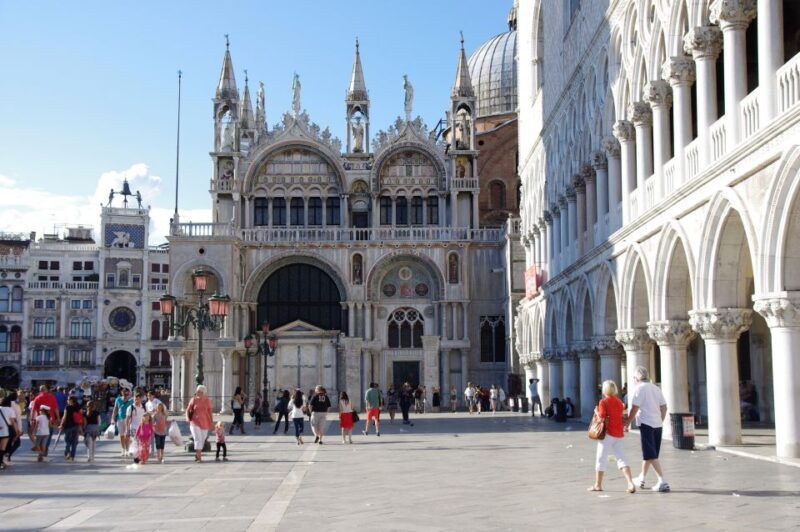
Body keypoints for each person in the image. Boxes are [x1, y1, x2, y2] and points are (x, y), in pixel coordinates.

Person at [626, 366, 669, 492]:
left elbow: (634, 408)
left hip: (646, 423)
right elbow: (664, 407)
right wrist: (660, 420)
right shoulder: (656, 388)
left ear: (636, 378)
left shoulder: (639, 389)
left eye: (634, 378)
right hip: (657, 424)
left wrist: (628, 422)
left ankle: (662, 481)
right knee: (650, 454)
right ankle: (641, 478)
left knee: (650, 454)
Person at [589, 380, 637, 493]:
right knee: (622, 458)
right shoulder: (619, 402)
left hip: (607, 434)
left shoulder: (603, 402)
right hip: (618, 434)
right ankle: (630, 483)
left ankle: (597, 485)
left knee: (601, 459)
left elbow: (601, 417)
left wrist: (596, 411)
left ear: (605, 390)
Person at [186, 385, 214, 463]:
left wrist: (212, 422)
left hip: (205, 422)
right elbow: (188, 410)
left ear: (203, 392)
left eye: (200, 391)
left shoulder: (207, 400)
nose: (197, 393)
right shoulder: (193, 400)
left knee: (202, 439)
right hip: (194, 422)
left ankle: (197, 453)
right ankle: (199, 457)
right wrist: (188, 418)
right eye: (197, 391)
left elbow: (209, 412)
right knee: (197, 439)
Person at [29, 385, 58, 451]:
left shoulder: (37, 398)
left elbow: (33, 410)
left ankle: (40, 448)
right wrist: (58, 418)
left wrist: (31, 419)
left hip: (40, 419)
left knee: (40, 435)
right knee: (49, 435)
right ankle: (45, 447)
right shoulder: (52, 397)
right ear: (47, 390)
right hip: (50, 419)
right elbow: (56, 409)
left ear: (40, 390)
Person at [111, 387, 133, 456]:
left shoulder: (131, 400)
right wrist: (112, 418)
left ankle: (127, 449)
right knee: (121, 435)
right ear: (121, 393)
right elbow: (115, 409)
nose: (125, 394)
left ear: (129, 393)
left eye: (126, 392)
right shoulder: (118, 399)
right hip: (120, 419)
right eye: (124, 392)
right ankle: (123, 449)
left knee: (127, 435)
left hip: (128, 419)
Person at [1, 392, 22, 466]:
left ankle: (4, 459)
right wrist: (18, 431)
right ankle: (4, 459)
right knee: (5, 446)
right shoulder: (12, 408)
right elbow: (15, 421)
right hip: (7, 429)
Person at [127, 392, 146, 462]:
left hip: (142, 428)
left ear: (140, 399)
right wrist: (127, 429)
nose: (136, 401)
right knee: (135, 441)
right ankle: (136, 457)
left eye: (138, 399)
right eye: (135, 399)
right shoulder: (131, 408)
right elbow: (128, 419)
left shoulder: (143, 407)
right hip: (133, 428)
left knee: (141, 442)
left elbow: (146, 417)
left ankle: (139, 455)